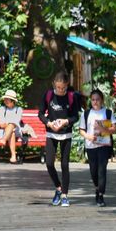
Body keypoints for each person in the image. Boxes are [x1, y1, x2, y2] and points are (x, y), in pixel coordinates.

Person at [38, 72, 81, 207]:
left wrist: (65, 121)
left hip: (66, 134)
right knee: (49, 163)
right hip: (51, 133)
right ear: (54, 85)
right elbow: (40, 113)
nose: (61, 90)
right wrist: (49, 123)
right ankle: (58, 188)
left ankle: (65, 195)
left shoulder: (71, 97)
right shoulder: (49, 95)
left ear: (67, 85)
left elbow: (75, 116)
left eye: (63, 87)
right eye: (58, 87)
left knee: (64, 165)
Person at [79, 89, 116, 207]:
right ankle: (97, 187)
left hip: (104, 146)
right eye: (93, 100)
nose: (95, 102)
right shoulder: (86, 114)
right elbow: (81, 130)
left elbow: (115, 129)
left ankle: (101, 194)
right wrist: (88, 137)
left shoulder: (108, 113)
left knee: (102, 170)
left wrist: (105, 130)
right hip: (91, 146)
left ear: (102, 100)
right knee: (93, 171)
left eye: (97, 100)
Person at [0, 89, 24, 165]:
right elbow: (1, 124)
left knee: (12, 125)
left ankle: (4, 140)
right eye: (5, 99)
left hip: (17, 130)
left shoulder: (19, 109)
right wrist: (10, 125)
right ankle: (13, 157)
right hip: (4, 131)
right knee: (12, 132)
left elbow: (16, 122)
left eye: (7, 99)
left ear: (12, 101)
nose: (5, 100)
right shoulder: (2, 109)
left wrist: (9, 124)